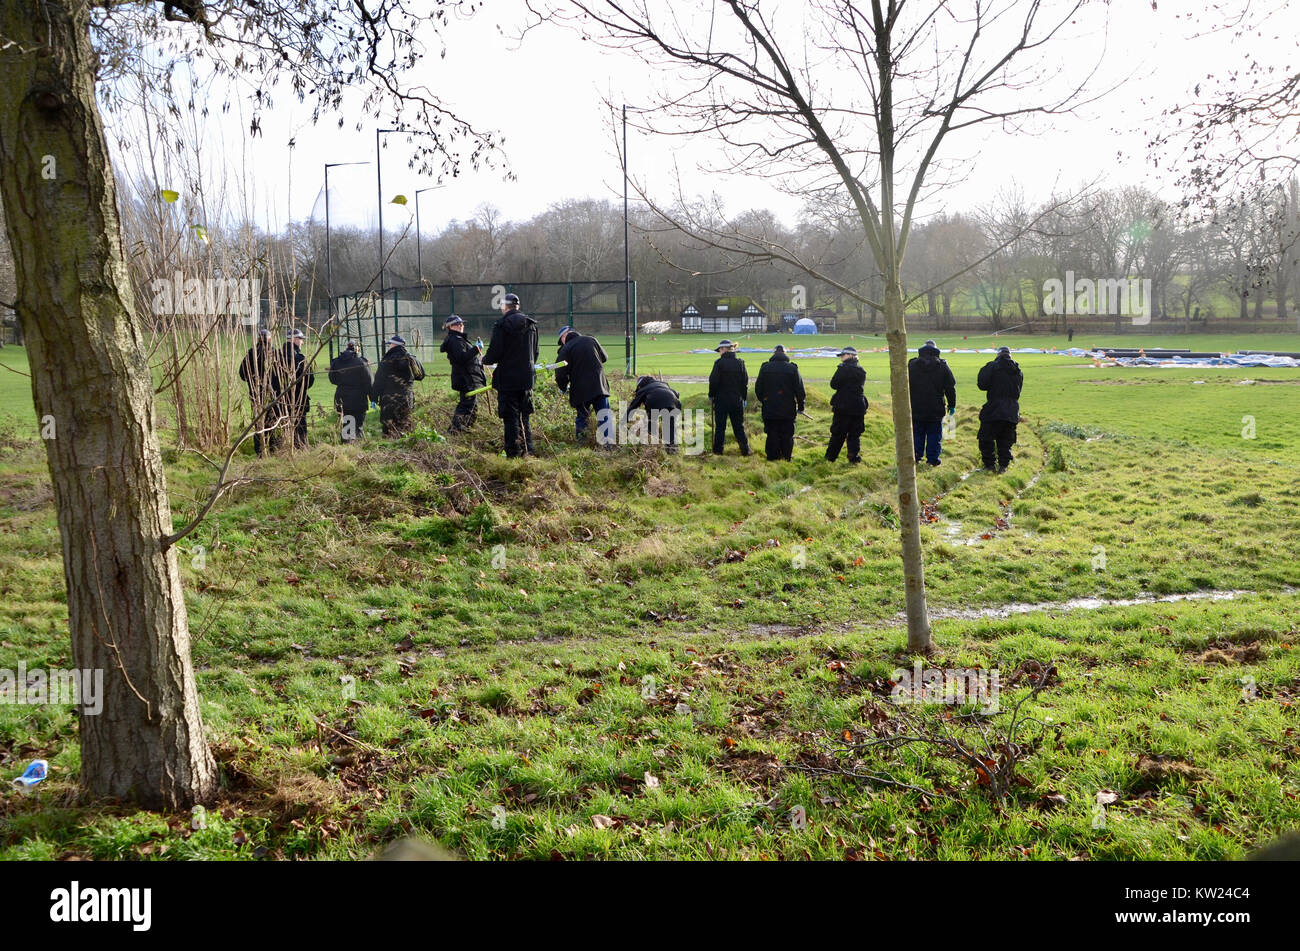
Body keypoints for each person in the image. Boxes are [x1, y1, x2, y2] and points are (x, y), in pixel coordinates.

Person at [482, 292, 539, 457]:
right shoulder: (531, 325)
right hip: (527, 378)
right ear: (518, 306)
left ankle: (513, 453)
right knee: (525, 415)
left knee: (510, 416)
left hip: (507, 378)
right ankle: (528, 450)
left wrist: (485, 359)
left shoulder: (501, 325)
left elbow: (495, 353)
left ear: (504, 306)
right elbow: (535, 352)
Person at [555, 325, 612, 446]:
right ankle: (609, 446)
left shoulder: (566, 349)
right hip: (599, 386)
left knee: (582, 418)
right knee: (604, 416)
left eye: (561, 340)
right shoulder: (591, 340)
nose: (562, 343)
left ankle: (582, 445)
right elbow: (605, 358)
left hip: (581, 391)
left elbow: (560, 373)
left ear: (565, 337)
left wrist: (563, 387)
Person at [907, 339, 956, 467]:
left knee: (917, 432)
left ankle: (916, 456)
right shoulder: (942, 366)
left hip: (915, 406)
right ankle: (932, 459)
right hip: (936, 407)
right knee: (934, 434)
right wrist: (952, 405)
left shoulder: (912, 365)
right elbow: (950, 388)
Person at [238, 328, 286, 456]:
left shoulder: (251, 355)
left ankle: (260, 451)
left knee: (259, 423)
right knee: (274, 422)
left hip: (256, 395)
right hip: (274, 395)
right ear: (270, 339)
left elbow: (242, 374)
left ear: (258, 339)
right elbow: (284, 375)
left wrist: (253, 381)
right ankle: (274, 449)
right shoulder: (275, 355)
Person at [754, 344, 805, 461]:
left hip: (770, 408)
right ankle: (786, 458)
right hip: (788, 408)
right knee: (787, 434)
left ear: (773, 354)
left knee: (772, 433)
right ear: (785, 354)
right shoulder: (792, 369)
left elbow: (758, 389)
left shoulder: (765, 368)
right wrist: (801, 406)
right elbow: (799, 390)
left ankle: (772, 458)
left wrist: (764, 400)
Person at [977, 346, 1024, 473]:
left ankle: (989, 465)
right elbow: (1018, 391)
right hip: (1012, 409)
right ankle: (1003, 466)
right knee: (1006, 440)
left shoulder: (992, 366)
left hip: (993, 408)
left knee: (986, 438)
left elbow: (982, 384)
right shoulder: (1017, 370)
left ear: (998, 355)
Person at [370, 334, 425, 437]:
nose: (389, 346)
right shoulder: (411, 359)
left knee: (389, 427)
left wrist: (374, 398)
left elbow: (379, 382)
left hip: (389, 400)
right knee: (405, 425)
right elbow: (421, 375)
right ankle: (404, 446)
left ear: (393, 345)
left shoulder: (386, 360)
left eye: (390, 344)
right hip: (407, 398)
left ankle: (388, 448)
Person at [440, 314, 485, 433]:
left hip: (468, 377)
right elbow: (461, 358)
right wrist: (476, 349)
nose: (461, 326)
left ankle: (464, 430)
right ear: (450, 327)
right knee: (466, 406)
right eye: (457, 324)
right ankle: (455, 431)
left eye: (462, 324)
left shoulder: (458, 339)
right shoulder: (455, 340)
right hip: (465, 378)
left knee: (472, 405)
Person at [707, 339, 750, 456]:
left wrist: (711, 395)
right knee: (738, 427)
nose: (719, 352)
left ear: (724, 349)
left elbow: (713, 381)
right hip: (737, 400)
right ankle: (745, 451)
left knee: (720, 428)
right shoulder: (740, 363)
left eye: (720, 350)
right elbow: (745, 383)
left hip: (721, 401)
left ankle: (718, 452)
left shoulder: (719, 363)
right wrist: (744, 398)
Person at [826, 346, 867, 464]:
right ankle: (853, 457)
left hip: (843, 406)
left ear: (850, 355)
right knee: (855, 434)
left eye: (843, 355)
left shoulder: (842, 369)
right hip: (858, 406)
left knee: (838, 433)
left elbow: (833, 384)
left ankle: (830, 458)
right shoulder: (861, 370)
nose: (841, 358)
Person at [328, 339, 373, 443]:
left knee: (347, 424)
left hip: (341, 397)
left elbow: (332, 379)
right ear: (357, 349)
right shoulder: (361, 362)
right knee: (357, 425)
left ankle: (346, 446)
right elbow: (369, 381)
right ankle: (355, 448)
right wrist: (372, 397)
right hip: (358, 398)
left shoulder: (336, 362)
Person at [626, 375, 682, 451]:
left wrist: (623, 421)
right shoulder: (664, 384)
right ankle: (672, 449)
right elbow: (676, 394)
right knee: (670, 425)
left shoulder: (643, 389)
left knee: (652, 422)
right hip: (674, 403)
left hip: (654, 403)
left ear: (641, 385)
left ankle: (653, 447)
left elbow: (633, 406)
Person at [282, 328, 315, 449]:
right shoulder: (300, 359)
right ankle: (301, 448)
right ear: (295, 339)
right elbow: (309, 380)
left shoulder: (277, 355)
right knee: (300, 426)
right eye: (301, 339)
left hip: (280, 399)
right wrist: (301, 389)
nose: (302, 342)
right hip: (298, 399)